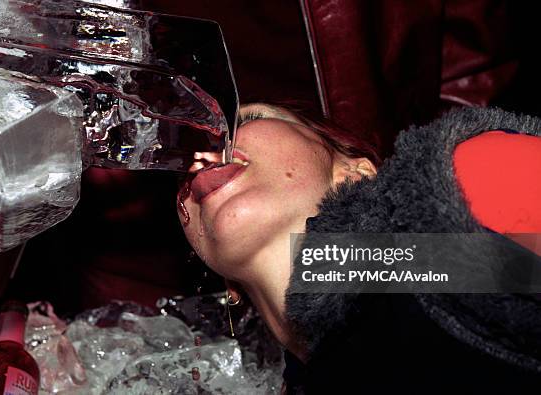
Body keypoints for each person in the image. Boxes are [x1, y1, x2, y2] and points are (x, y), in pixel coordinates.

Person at [177, 102, 541, 394]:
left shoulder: (460, 185)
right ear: (228, 285)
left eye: (250, 117)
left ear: (355, 173)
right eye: (182, 175)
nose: (208, 150)